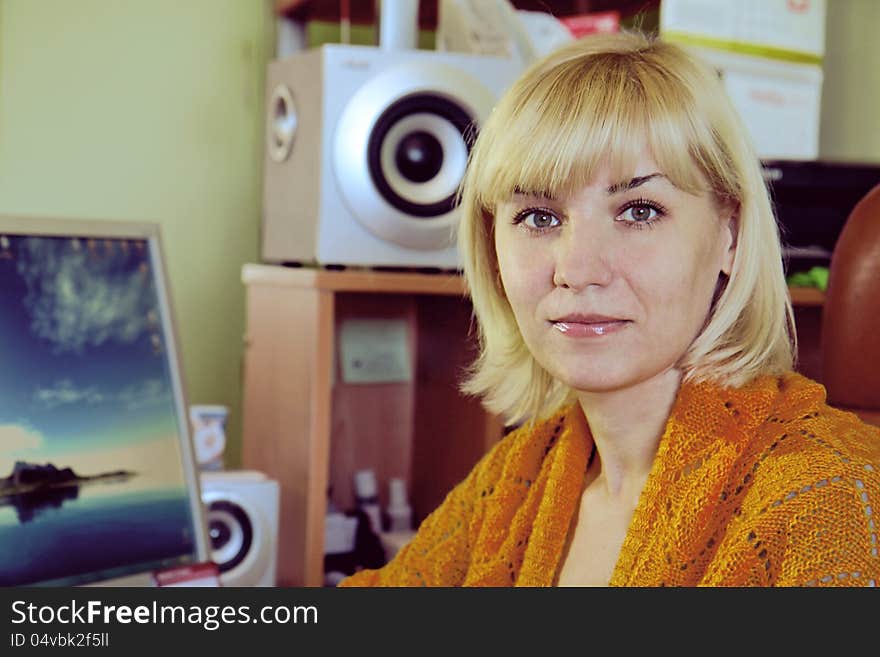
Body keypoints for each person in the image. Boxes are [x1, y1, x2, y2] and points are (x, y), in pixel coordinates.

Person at [339, 30, 880, 587]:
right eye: (539, 217)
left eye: (639, 210)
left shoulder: (832, 496)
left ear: (731, 236)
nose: (578, 269)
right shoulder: (519, 477)